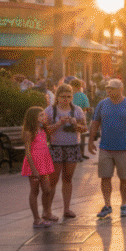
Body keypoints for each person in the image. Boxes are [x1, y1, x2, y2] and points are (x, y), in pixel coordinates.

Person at [88, 79, 126, 218]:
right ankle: (107, 205)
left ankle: (124, 205)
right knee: (105, 177)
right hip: (105, 148)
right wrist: (90, 141)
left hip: (125, 148)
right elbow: (95, 123)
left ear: (121, 89)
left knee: (124, 179)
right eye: (107, 88)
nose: (109, 91)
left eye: (112, 88)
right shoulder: (102, 104)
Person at [45, 85, 87, 220]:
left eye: (69, 96)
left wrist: (75, 125)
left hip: (72, 147)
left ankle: (67, 209)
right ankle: (47, 211)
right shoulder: (50, 110)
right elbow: (46, 130)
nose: (66, 99)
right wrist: (59, 124)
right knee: (53, 180)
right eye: (63, 96)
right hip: (56, 147)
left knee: (68, 178)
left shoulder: (77, 110)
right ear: (57, 97)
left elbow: (84, 129)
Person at [22, 106, 56, 228]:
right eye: (41, 115)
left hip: (44, 163)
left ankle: (46, 213)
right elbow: (28, 152)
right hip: (34, 165)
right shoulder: (28, 132)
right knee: (34, 191)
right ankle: (36, 219)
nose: (44, 116)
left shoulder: (42, 130)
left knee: (47, 189)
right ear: (33, 117)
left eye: (43, 114)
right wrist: (33, 169)